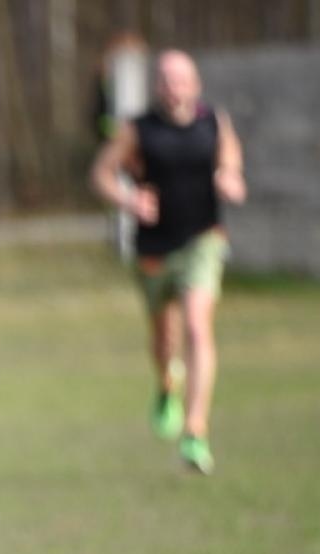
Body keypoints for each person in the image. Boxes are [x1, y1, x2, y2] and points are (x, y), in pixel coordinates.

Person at [90, 49, 245, 474]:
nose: (174, 87)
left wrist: (230, 176)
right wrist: (128, 200)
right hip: (155, 249)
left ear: (195, 85)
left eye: (181, 79)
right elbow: (101, 174)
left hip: (202, 240)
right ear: (156, 86)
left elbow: (230, 157)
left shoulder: (213, 122)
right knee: (164, 339)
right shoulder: (138, 130)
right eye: (166, 80)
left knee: (197, 325)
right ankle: (165, 384)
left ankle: (195, 431)